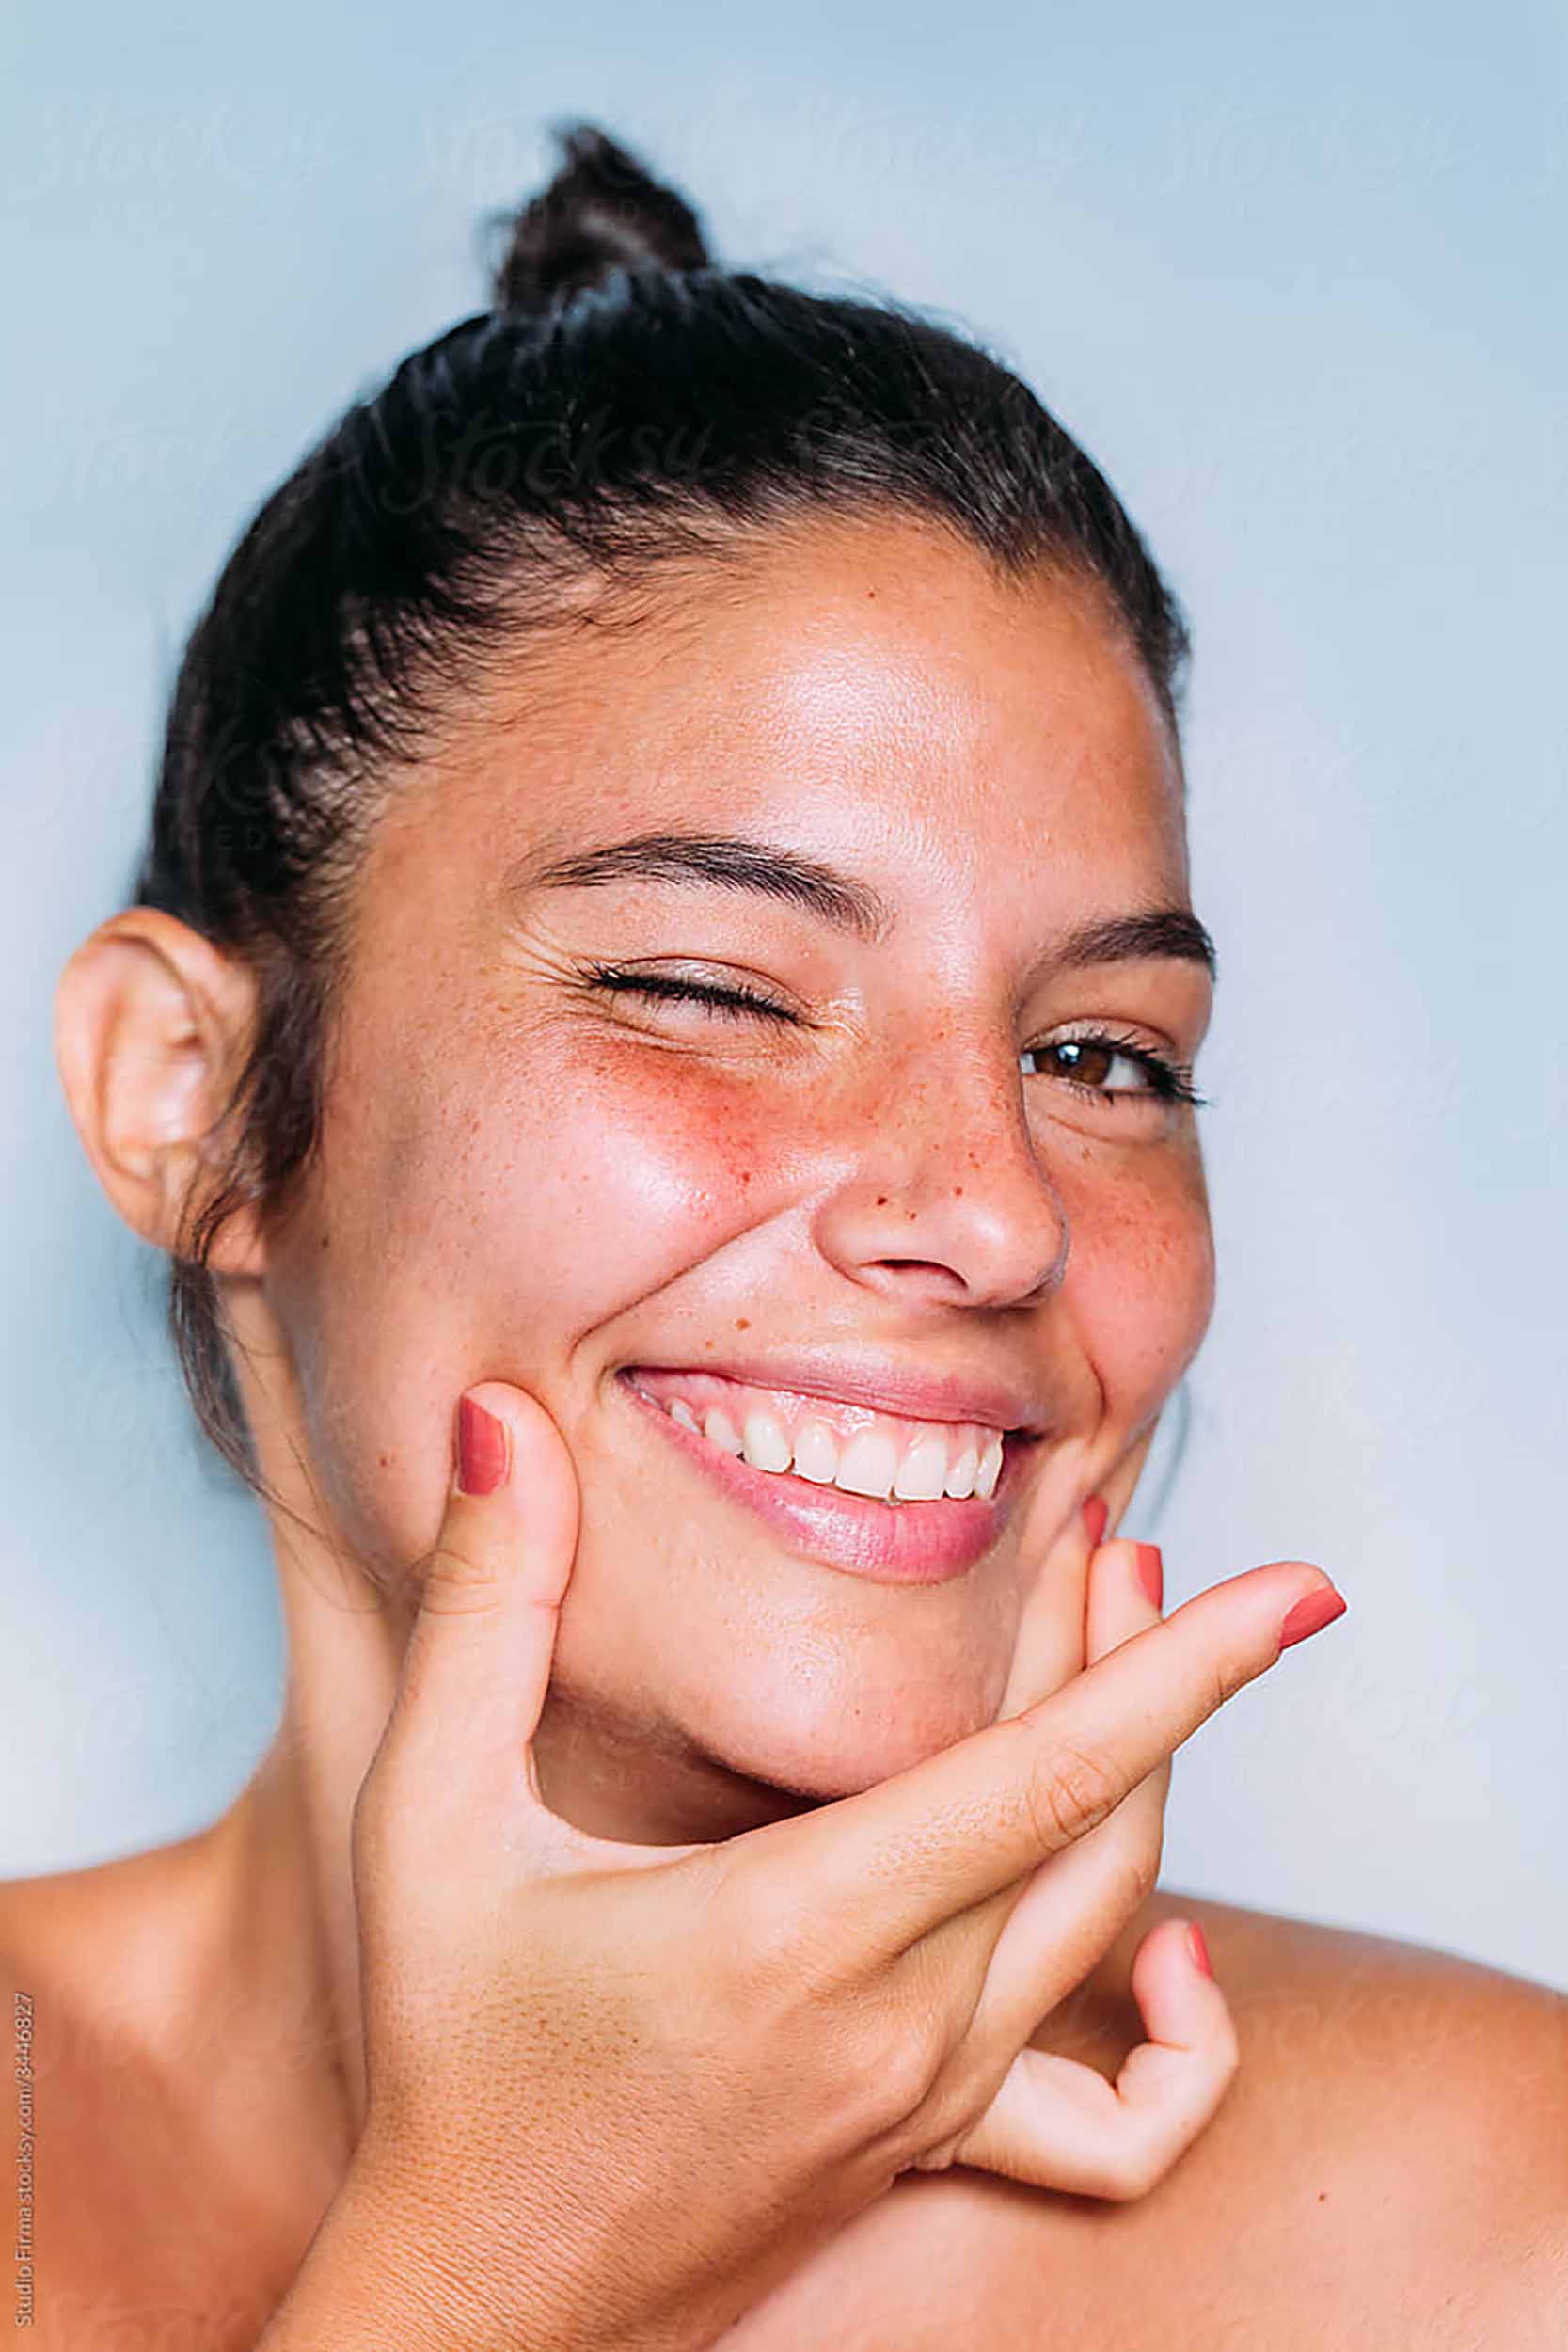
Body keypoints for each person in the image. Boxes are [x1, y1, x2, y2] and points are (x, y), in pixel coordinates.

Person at [10, 120, 1564, 2350]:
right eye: (713, 992)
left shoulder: (1494, 2236)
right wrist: (504, 2264)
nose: (994, 1208)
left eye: (1105, 1053)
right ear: (189, 1100)